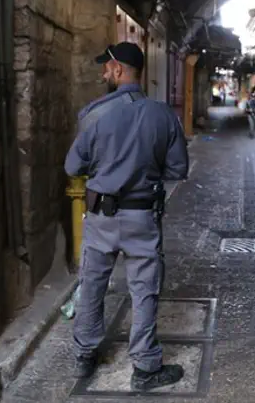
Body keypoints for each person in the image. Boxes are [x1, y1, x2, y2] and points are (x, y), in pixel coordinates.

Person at [64, 41, 189, 390]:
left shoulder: (94, 115)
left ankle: (85, 356)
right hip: (142, 217)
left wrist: (106, 166)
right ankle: (145, 368)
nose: (103, 73)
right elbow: (178, 168)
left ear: (118, 69)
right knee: (144, 288)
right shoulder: (163, 115)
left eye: (106, 67)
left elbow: (73, 166)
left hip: (100, 218)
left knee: (92, 283)